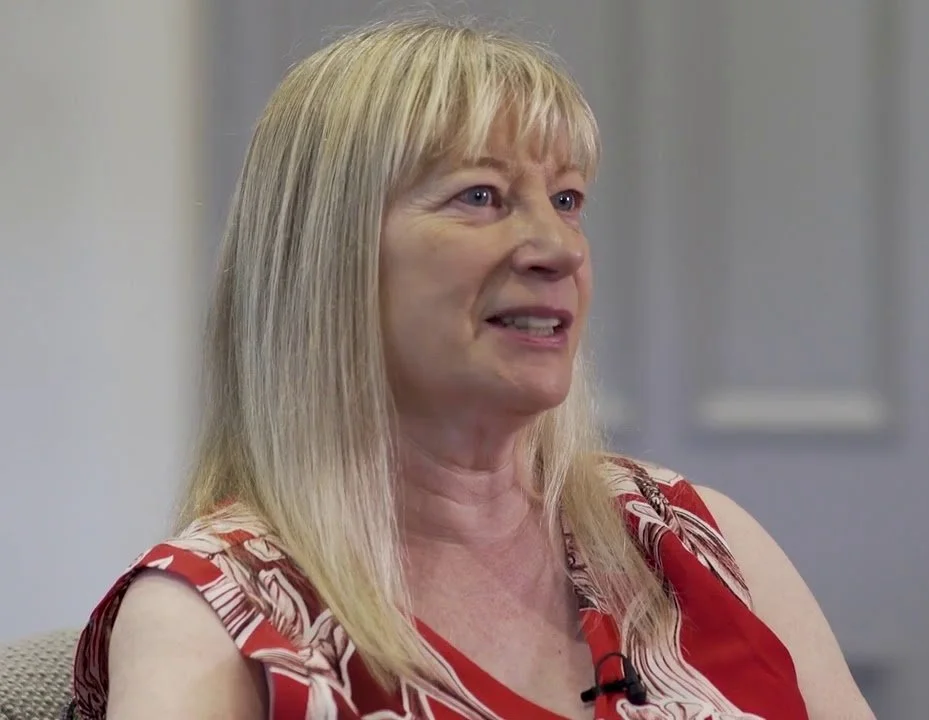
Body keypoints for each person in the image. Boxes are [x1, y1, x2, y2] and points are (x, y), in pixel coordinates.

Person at [71, 15, 875, 720]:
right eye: (482, 196)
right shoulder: (217, 615)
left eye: (566, 200)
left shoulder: (691, 540)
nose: (559, 250)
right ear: (330, 257)